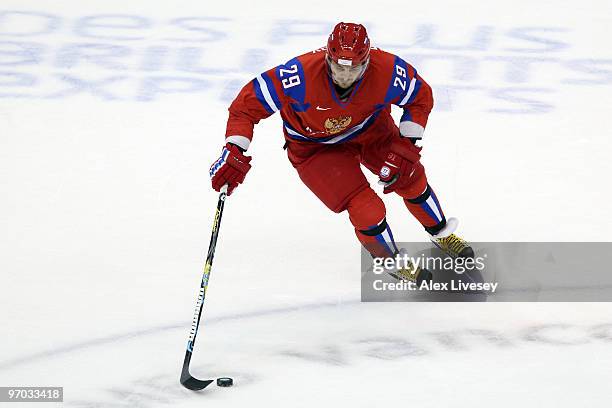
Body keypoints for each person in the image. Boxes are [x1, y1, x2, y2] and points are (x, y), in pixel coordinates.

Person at [209, 22, 473, 281]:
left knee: (411, 177)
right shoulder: (297, 74)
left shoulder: (388, 70)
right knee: (366, 208)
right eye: (338, 67)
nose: (344, 76)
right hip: (314, 148)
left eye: (354, 68)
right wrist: (234, 148)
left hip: (370, 129)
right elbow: (246, 106)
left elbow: (420, 97)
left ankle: (442, 233)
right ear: (327, 57)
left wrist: (406, 146)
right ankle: (391, 260)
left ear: (367, 62)